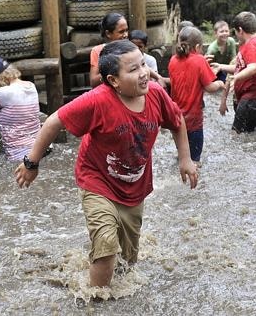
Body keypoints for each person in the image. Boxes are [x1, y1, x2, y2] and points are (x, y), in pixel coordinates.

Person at [15, 39, 198, 287]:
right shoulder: (97, 100)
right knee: (107, 246)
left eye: (143, 64)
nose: (144, 73)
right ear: (113, 80)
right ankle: (95, 300)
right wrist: (31, 163)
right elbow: (53, 121)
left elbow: (177, 121)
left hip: (135, 186)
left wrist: (185, 159)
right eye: (133, 70)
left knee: (128, 261)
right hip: (97, 180)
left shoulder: (155, 93)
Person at [168, 26, 224, 164]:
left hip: (176, 119)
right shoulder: (199, 60)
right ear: (198, 46)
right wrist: (220, 84)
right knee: (194, 161)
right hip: (193, 121)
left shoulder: (173, 60)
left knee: (182, 156)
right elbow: (209, 87)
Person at [221, 12, 256, 133]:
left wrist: (236, 78)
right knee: (250, 135)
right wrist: (221, 66)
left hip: (254, 98)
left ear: (240, 30)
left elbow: (253, 68)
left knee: (238, 134)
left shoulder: (253, 45)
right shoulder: (251, 44)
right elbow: (241, 68)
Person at [89, 12, 129, 87]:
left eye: (126, 30)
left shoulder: (130, 48)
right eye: (121, 32)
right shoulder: (97, 51)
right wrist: (115, 68)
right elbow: (93, 82)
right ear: (108, 34)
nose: (125, 35)